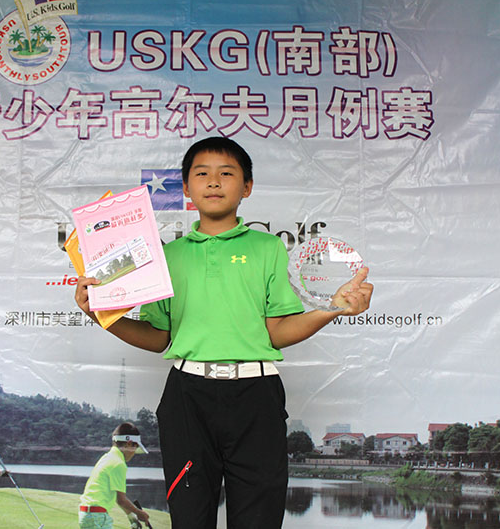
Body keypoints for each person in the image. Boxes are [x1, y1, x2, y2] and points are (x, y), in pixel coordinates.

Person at [74, 137, 373, 529]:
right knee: (190, 517)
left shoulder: (268, 248)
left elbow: (278, 332)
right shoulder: (166, 256)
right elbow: (159, 337)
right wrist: (100, 315)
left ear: (247, 187)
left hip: (256, 395)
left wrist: (333, 308)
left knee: (258, 518)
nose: (214, 182)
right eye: (202, 174)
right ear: (186, 188)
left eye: (227, 173)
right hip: (187, 397)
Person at [78, 422, 151, 529]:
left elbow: (117, 497)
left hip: (87, 514)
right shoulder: (118, 464)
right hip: (96, 515)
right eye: (135, 448)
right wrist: (139, 513)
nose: (134, 453)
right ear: (129, 444)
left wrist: (131, 516)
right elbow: (121, 499)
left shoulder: (107, 457)